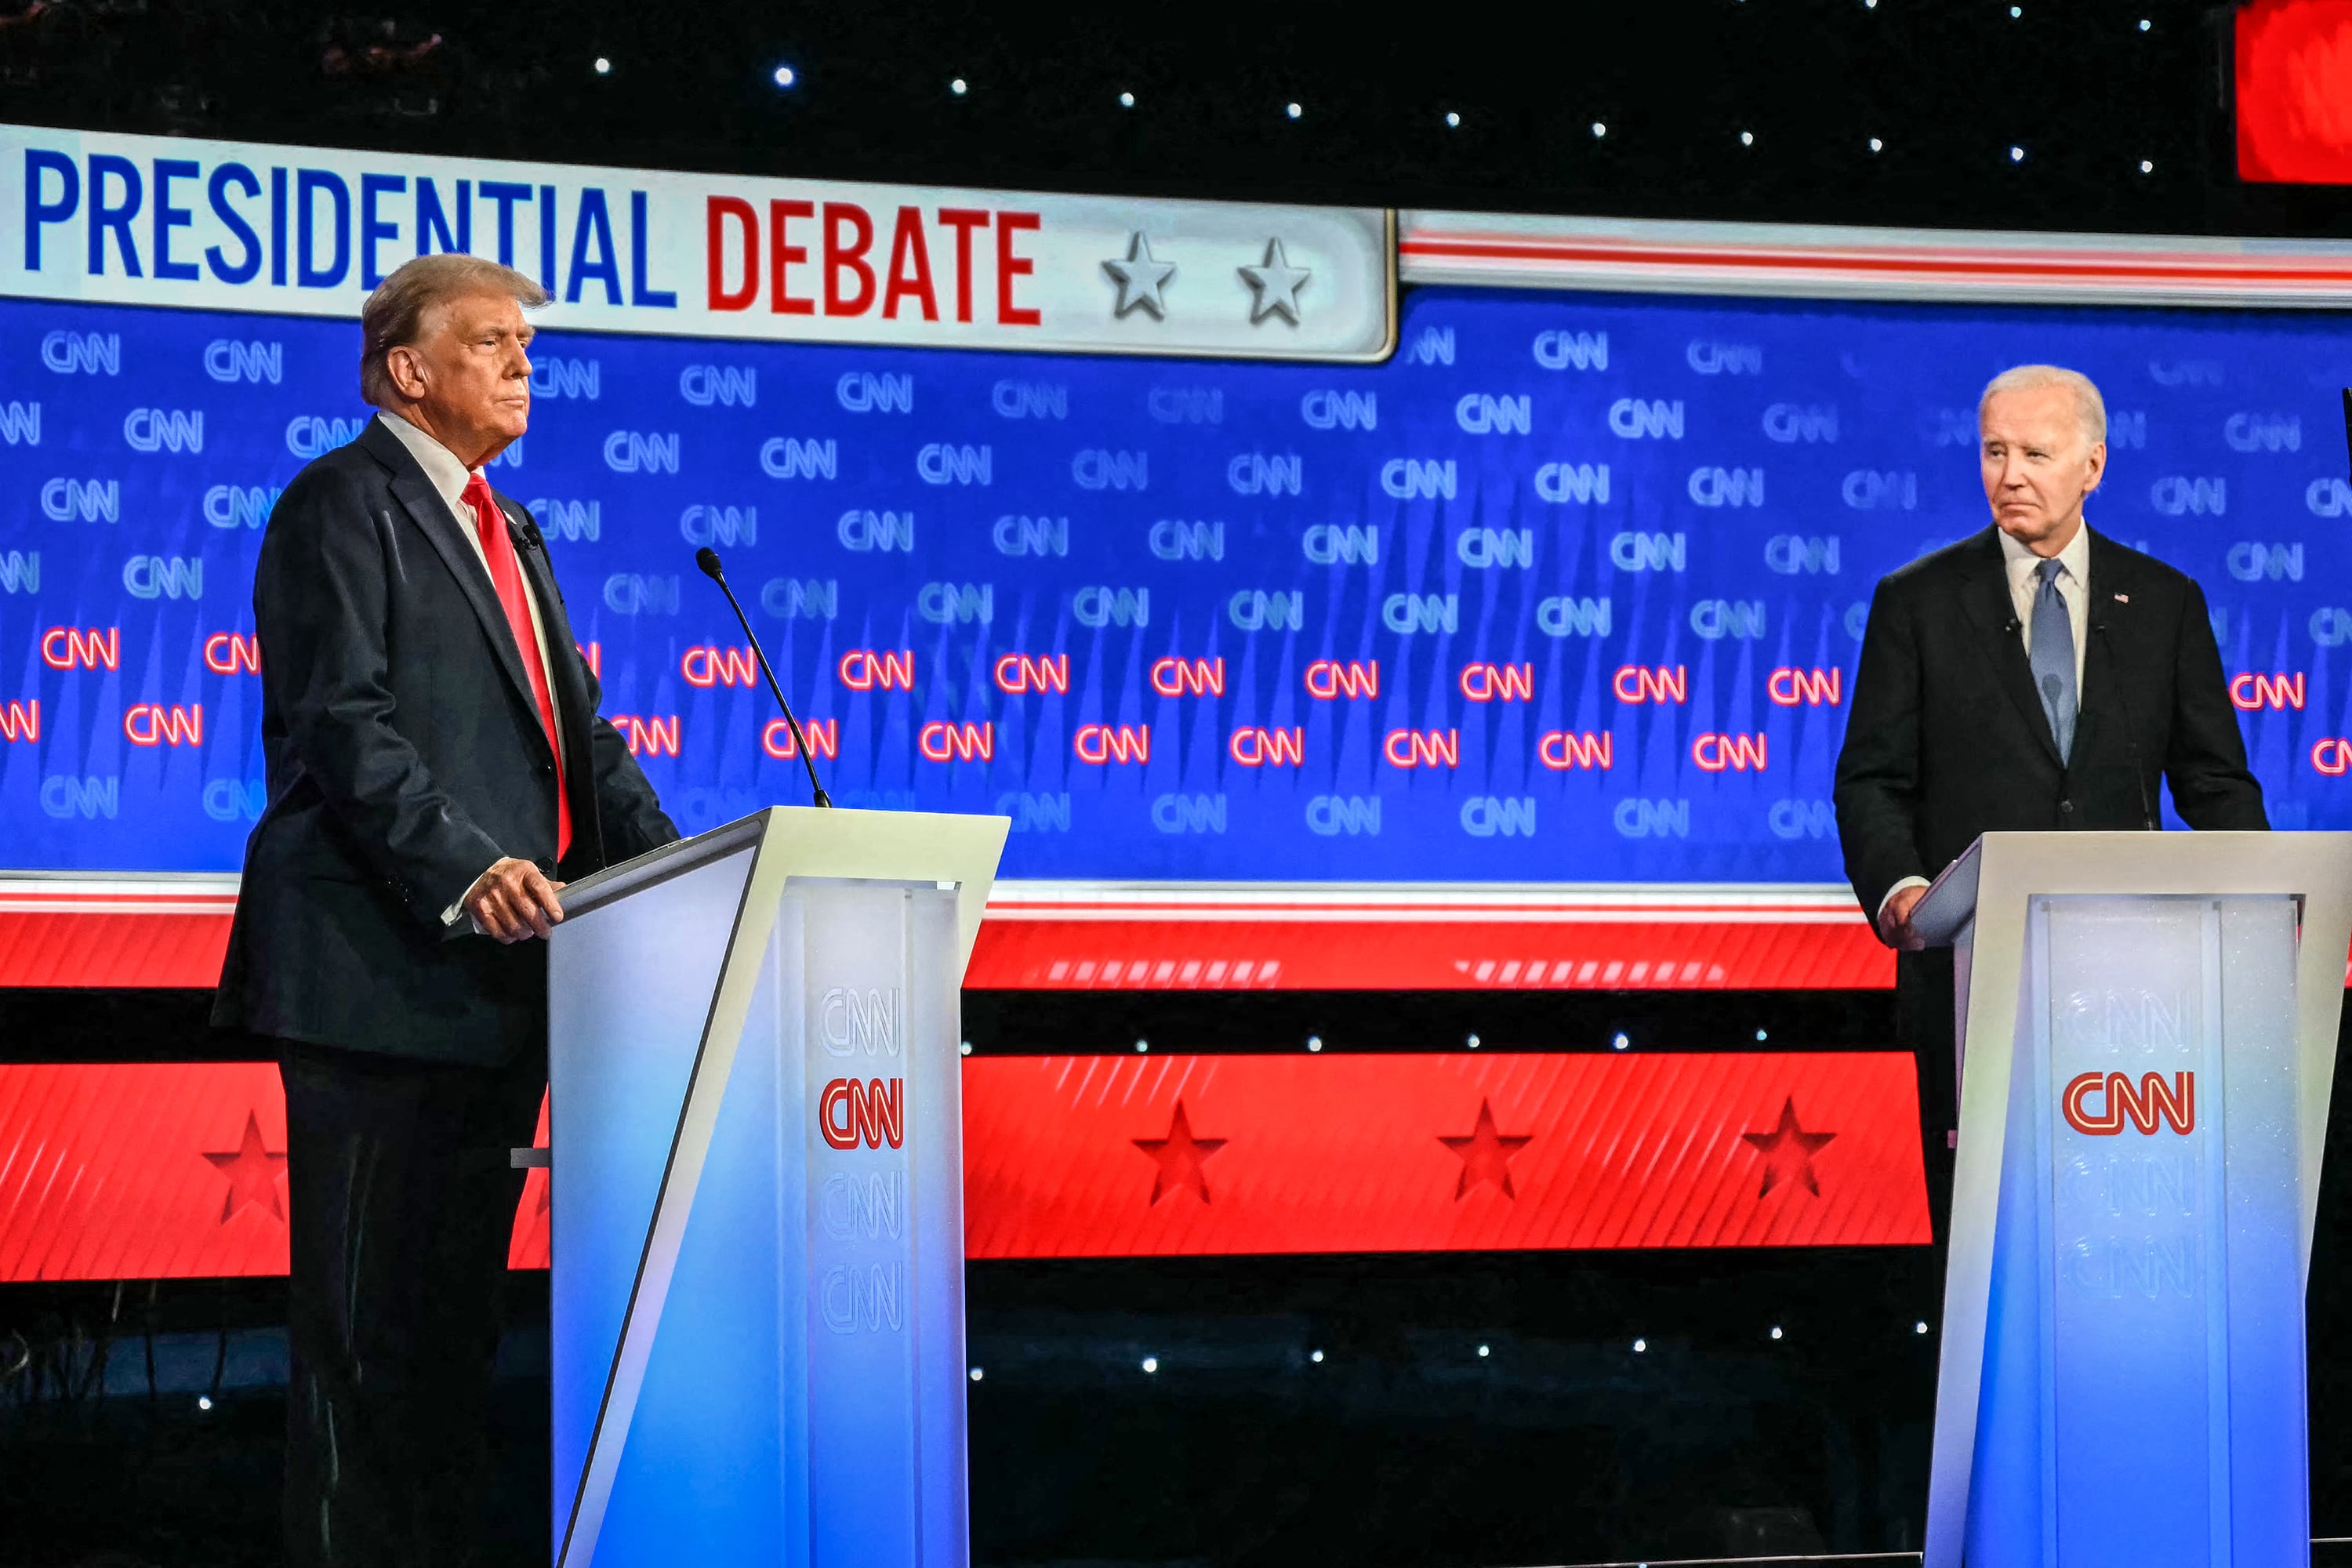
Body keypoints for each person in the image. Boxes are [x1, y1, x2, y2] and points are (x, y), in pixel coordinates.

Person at [210, 252, 680, 1566]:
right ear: (408, 371)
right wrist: (469, 867)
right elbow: (342, 721)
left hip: (497, 990)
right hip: (376, 981)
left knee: (452, 1343)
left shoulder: (510, 526)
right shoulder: (339, 502)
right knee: (366, 1348)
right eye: (492, 341)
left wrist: (692, 872)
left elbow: (580, 744)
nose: (524, 364)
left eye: (527, 343)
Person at [1832, 363, 2266, 1235]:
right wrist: (1902, 890)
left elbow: (2214, 782)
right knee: (1982, 1231)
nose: (2011, 474)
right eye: (1994, 451)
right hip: (1971, 973)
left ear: (2093, 466)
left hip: (2135, 981)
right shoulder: (1916, 601)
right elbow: (1871, 779)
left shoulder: (2164, 603)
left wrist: (2263, 906)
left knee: (2120, 1222)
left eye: (2036, 453)